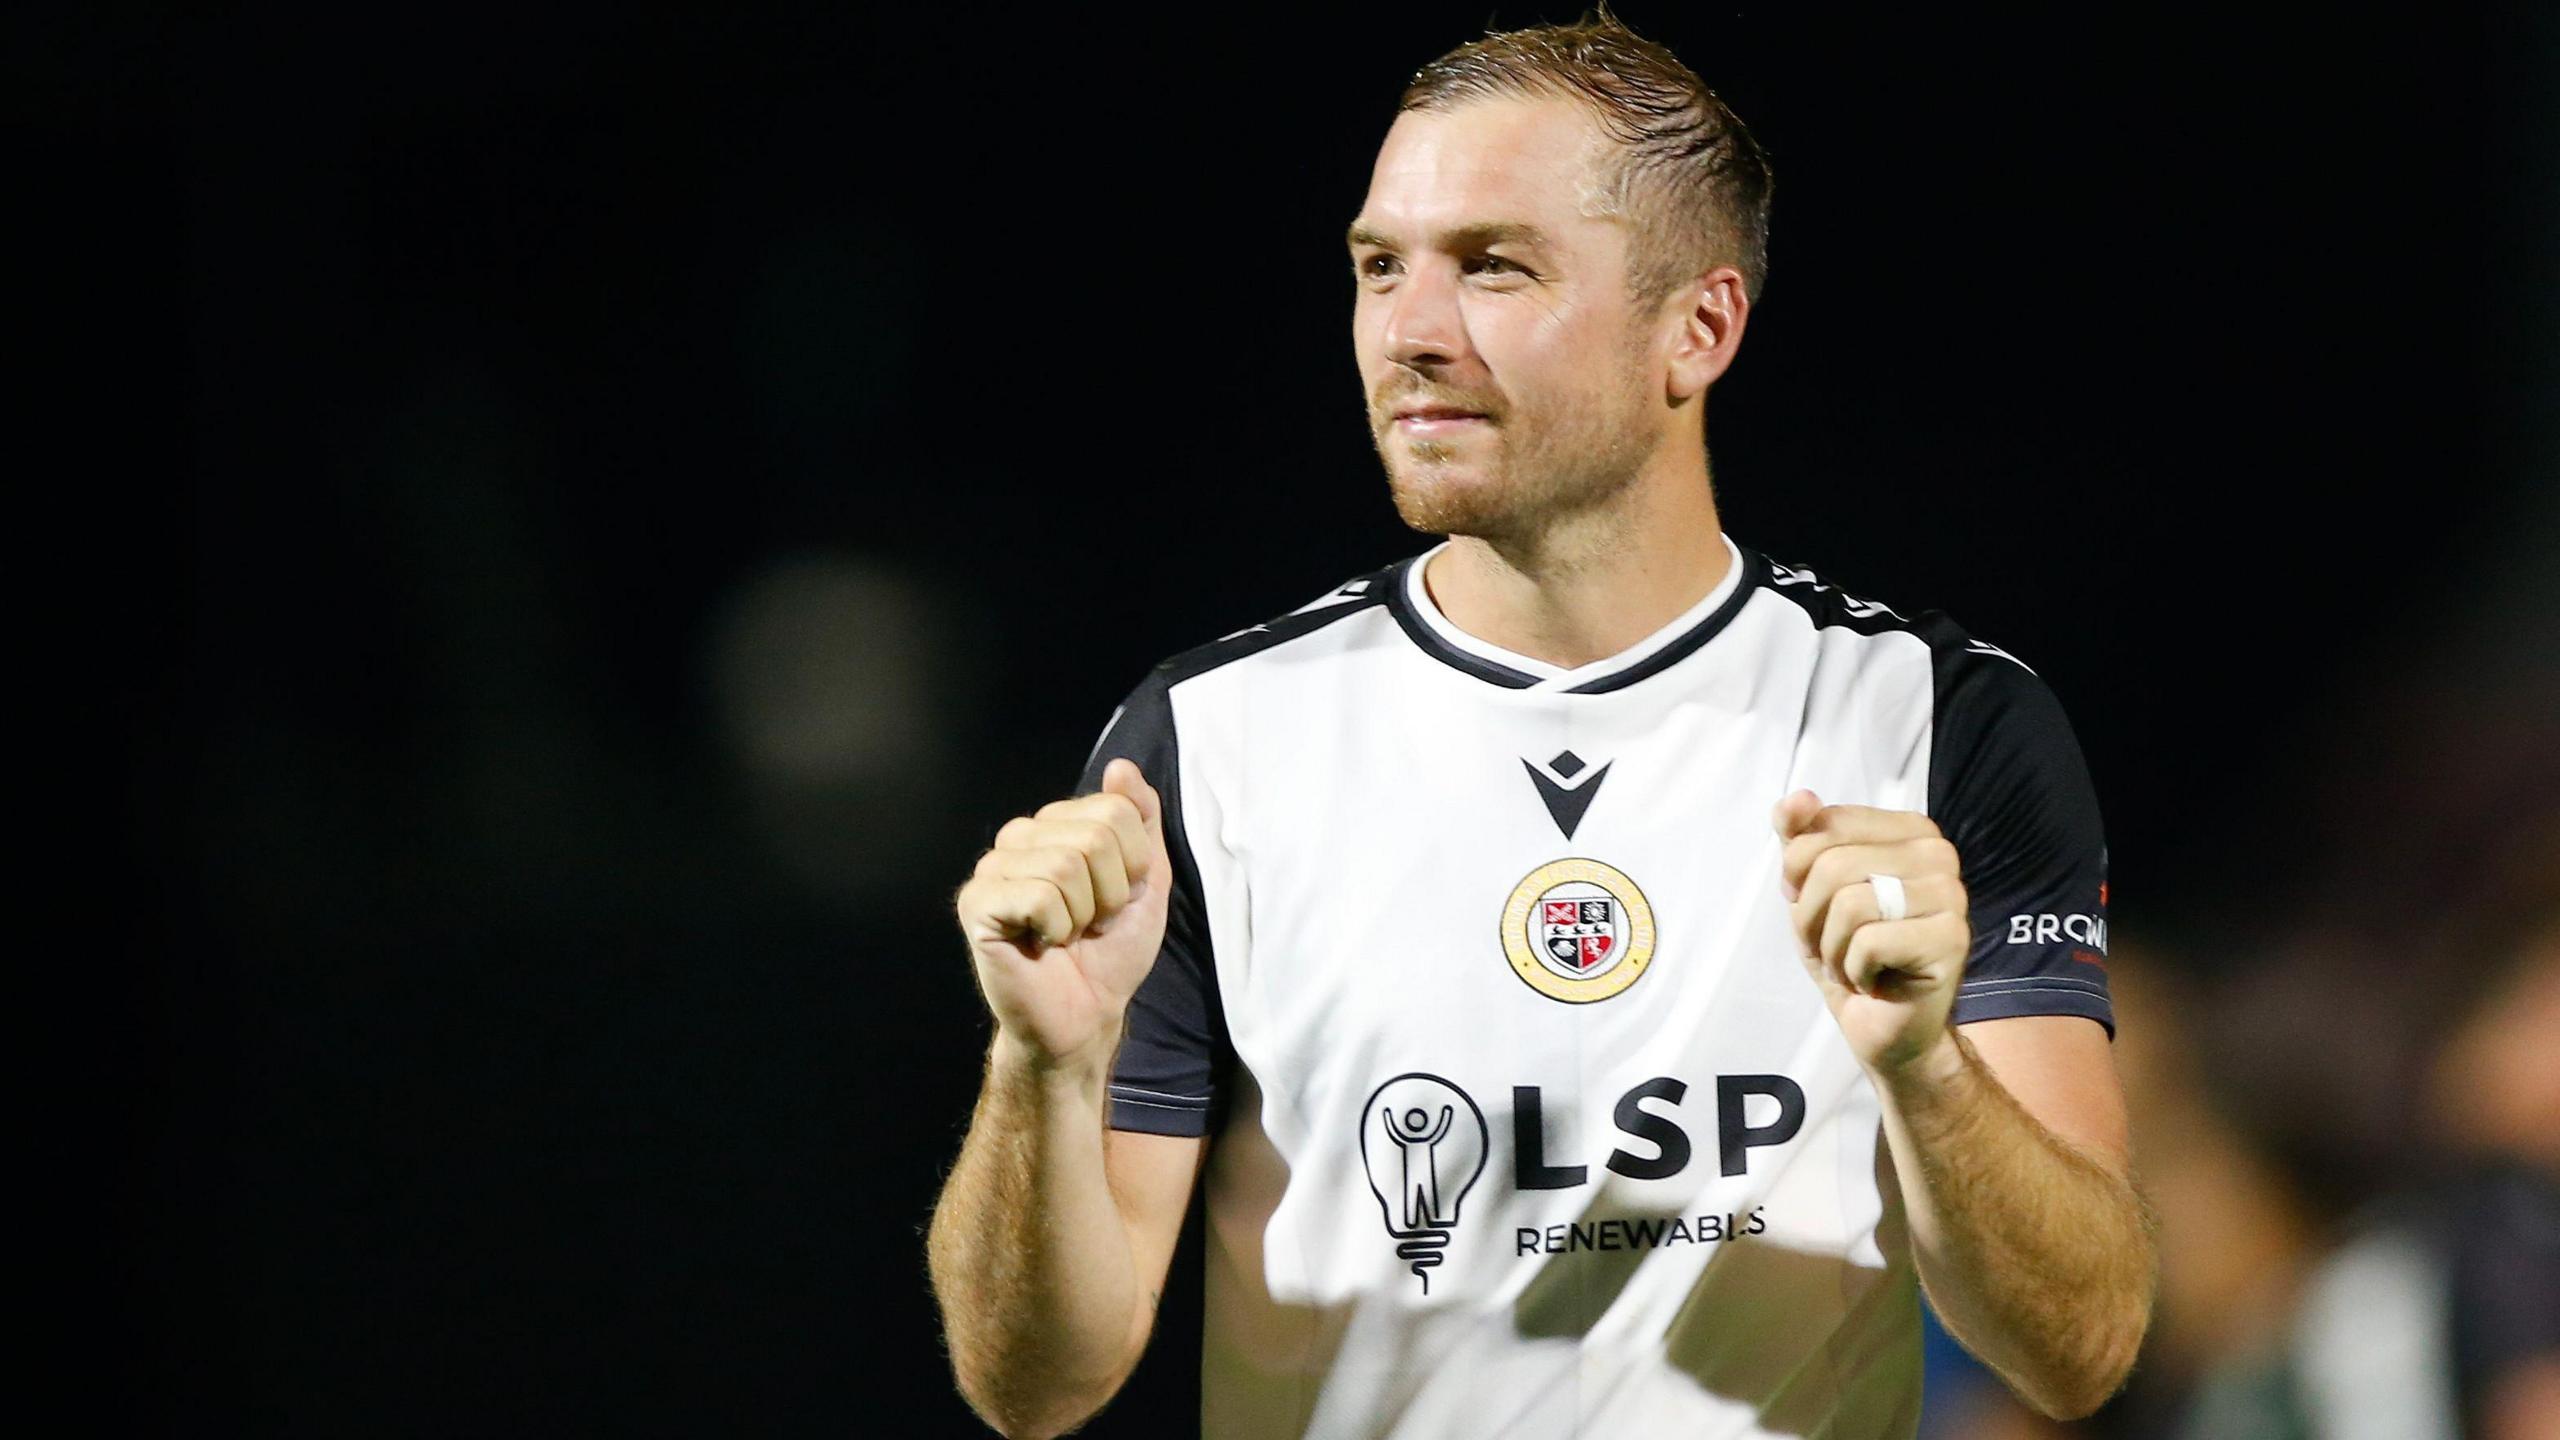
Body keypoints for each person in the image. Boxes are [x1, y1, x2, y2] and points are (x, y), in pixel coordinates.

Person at [925, 10, 2155, 1438]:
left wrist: (1924, 1071)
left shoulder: (1935, 721)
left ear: (1697, 328)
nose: (1411, 332)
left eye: (1493, 267)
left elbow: (2083, 1346)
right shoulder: (1210, 738)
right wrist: (1041, 1071)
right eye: (1380, 268)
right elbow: (1033, 1389)